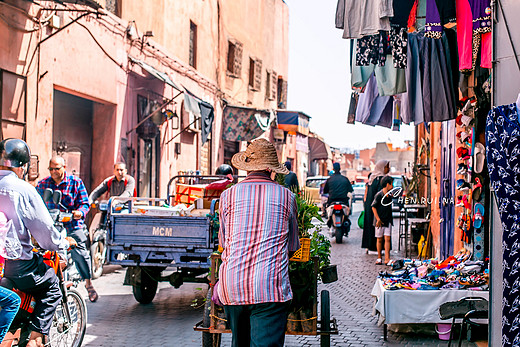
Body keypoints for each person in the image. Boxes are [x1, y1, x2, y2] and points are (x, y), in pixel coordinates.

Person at [217, 138, 300, 347]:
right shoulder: (287, 196)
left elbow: (224, 244)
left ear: (246, 168)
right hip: (269, 288)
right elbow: (293, 247)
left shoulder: (227, 196)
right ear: (271, 170)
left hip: (232, 286)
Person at [0, 139, 75, 347]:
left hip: (1, 267)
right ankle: (35, 340)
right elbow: (46, 234)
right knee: (52, 287)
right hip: (16, 266)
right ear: (23, 166)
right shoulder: (23, 189)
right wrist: (62, 245)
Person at [36, 156, 98, 302]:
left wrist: (80, 212)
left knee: (80, 252)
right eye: (51, 169)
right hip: (51, 225)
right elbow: (36, 202)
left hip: (71, 224)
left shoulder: (75, 182)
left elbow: (84, 204)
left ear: (64, 167)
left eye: (56, 168)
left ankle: (89, 284)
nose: (53, 172)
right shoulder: (43, 184)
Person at [361, 160, 390, 253]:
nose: (388, 169)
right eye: (386, 167)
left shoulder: (372, 179)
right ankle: (379, 249)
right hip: (379, 209)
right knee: (381, 229)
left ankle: (370, 246)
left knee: (371, 226)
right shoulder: (382, 180)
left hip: (370, 208)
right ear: (382, 167)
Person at [371, 176, 394, 265]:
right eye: (391, 184)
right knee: (379, 239)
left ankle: (387, 258)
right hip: (379, 221)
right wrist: (378, 219)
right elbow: (373, 207)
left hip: (387, 220)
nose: (392, 186)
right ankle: (379, 257)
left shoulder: (390, 195)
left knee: (387, 238)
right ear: (387, 184)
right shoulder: (379, 195)